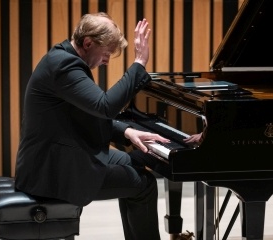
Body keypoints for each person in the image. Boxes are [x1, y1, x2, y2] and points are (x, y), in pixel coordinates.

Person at [15, 12, 202, 240]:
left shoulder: (63, 58)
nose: (106, 61)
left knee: (135, 163)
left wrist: (127, 131)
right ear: (87, 43)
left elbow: (88, 116)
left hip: (60, 157)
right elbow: (105, 106)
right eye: (106, 54)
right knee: (143, 184)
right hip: (53, 171)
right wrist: (139, 63)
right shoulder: (64, 66)